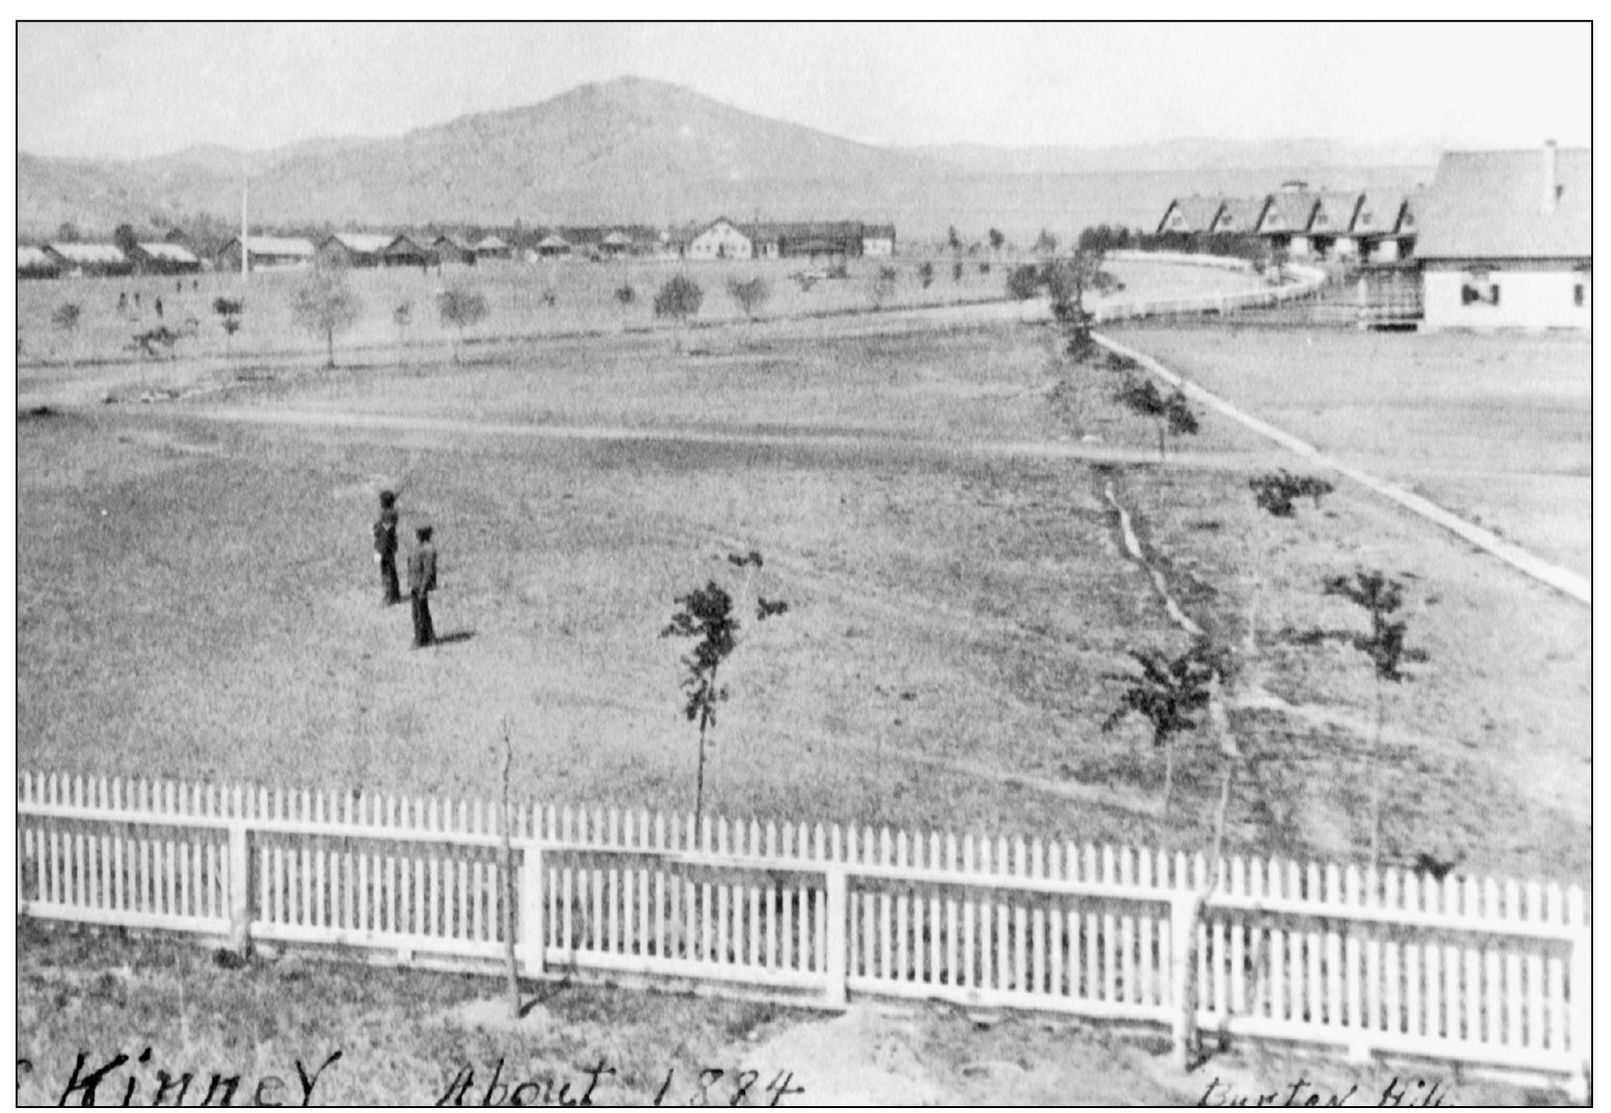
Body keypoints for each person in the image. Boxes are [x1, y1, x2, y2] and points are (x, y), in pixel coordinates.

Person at [407, 526, 438, 648]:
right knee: (418, 612)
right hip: (415, 584)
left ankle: (422, 638)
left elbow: (428, 571)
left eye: (419, 533)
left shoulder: (428, 549)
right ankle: (426, 637)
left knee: (420, 613)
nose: (417, 536)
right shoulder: (418, 547)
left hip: (420, 585)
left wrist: (423, 588)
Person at [372, 490, 401, 605]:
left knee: (386, 572)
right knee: (391, 570)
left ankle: (389, 597)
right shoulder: (390, 513)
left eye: (381, 501)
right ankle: (395, 594)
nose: (380, 503)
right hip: (390, 545)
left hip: (385, 545)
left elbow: (385, 531)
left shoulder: (388, 515)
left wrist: (380, 549)